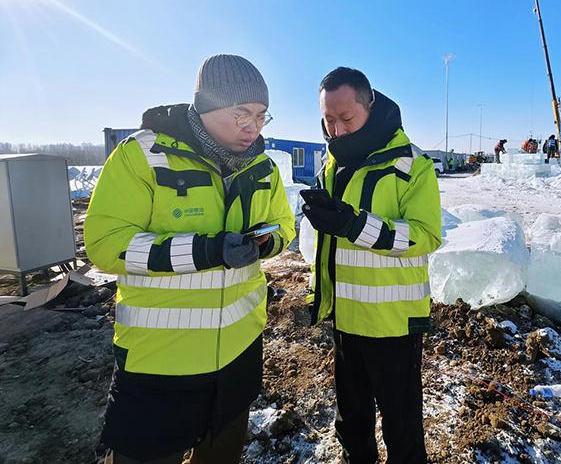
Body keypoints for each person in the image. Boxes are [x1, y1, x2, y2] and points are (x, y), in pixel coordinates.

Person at [84, 54, 296, 463]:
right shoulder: (143, 155)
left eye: (261, 116)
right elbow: (106, 243)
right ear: (206, 106)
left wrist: (266, 244)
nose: (253, 127)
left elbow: (284, 225)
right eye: (241, 114)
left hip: (238, 354)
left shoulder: (263, 168)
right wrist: (206, 250)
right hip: (160, 363)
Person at [302, 67, 441, 463]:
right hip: (346, 319)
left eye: (346, 118)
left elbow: (425, 236)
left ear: (370, 105)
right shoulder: (332, 164)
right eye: (329, 120)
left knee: (402, 426)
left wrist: (354, 226)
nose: (337, 131)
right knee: (352, 421)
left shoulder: (412, 165)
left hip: (392, 323)